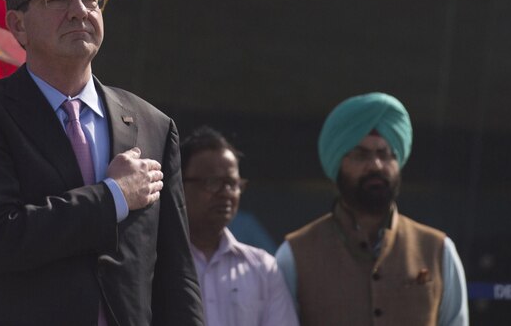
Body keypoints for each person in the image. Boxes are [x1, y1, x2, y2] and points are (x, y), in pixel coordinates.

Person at [0, 0, 205, 326]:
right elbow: (0, 241)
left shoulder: (152, 125)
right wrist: (113, 196)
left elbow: (175, 273)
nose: (79, 10)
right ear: (18, 25)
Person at [274, 93, 469, 326]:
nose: (375, 165)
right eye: (360, 155)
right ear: (338, 164)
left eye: (385, 154)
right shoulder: (294, 255)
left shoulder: (439, 251)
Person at [182, 126, 298, 326]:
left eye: (233, 183)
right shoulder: (155, 262)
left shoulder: (263, 268)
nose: (226, 193)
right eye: (213, 182)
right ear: (178, 185)